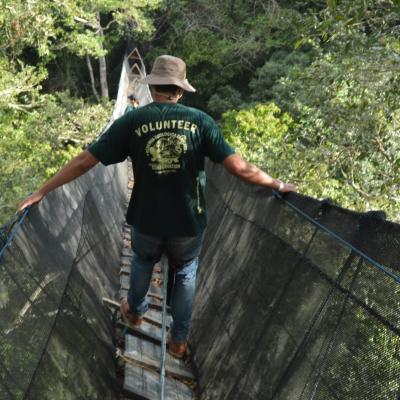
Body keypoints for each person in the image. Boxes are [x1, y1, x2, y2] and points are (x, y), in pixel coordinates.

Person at [18, 55, 297, 359]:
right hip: (188, 222)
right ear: (180, 91)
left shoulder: (132, 120)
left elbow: (86, 160)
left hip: (147, 217)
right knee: (186, 273)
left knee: (142, 260)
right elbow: (240, 169)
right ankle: (178, 340)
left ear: (152, 87)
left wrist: (42, 191)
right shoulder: (201, 122)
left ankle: (135, 312)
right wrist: (278, 185)